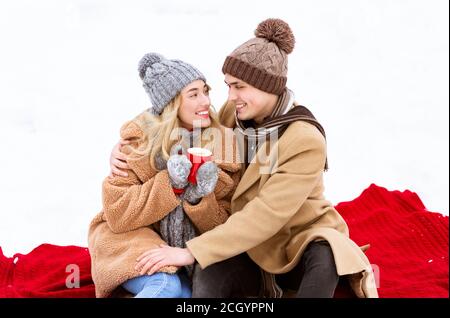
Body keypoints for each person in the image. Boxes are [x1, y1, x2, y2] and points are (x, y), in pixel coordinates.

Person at [110, 19, 378, 298]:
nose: (231, 96)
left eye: (239, 87)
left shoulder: (304, 139)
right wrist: (129, 144)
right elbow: (173, 113)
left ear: (268, 87)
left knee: (325, 257)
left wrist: (190, 252)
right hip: (240, 241)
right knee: (208, 280)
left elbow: (266, 214)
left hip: (294, 240)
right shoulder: (234, 114)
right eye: (227, 86)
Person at [88, 53, 241, 298]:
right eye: (193, 94)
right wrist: (171, 184)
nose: (205, 101)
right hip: (133, 239)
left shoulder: (224, 144)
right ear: (171, 104)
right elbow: (116, 212)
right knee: (165, 286)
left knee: (185, 296)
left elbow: (226, 224)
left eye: (206, 91)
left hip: (190, 254)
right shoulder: (140, 140)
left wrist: (198, 197)